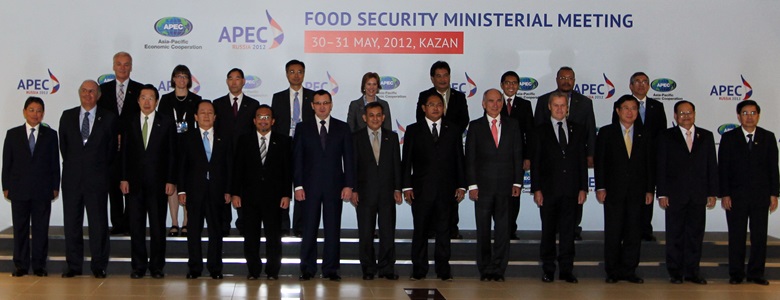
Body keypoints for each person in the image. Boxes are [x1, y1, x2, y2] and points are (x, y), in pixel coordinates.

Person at [403, 92, 466, 281]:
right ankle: (419, 269)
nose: (436, 108)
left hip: (446, 190)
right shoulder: (413, 130)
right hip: (421, 190)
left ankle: (443, 270)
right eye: (431, 104)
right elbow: (406, 161)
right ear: (424, 108)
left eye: (439, 104)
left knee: (444, 232)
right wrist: (406, 187)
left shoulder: (453, 130)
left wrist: (462, 185)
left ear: (444, 107)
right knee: (420, 231)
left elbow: (459, 160)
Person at [59, 80, 118, 278]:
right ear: (79, 93)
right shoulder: (67, 116)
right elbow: (65, 148)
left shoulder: (108, 118)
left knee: (99, 224)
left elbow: (111, 151)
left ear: (98, 95)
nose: (88, 94)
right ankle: (74, 265)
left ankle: (99, 265)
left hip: (97, 180)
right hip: (72, 180)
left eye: (92, 91)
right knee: (72, 224)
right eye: (84, 90)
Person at [293, 90, 355, 281]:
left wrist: (349, 185)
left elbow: (349, 159)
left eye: (325, 103)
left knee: (332, 229)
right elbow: (297, 159)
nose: (322, 106)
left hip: (334, 187)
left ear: (331, 104)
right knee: (309, 228)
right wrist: (298, 186)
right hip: (309, 187)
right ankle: (308, 268)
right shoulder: (302, 128)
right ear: (312, 105)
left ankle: (331, 269)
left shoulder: (342, 128)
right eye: (318, 103)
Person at [656, 100, 718, 285]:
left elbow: (711, 166)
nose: (686, 116)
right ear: (675, 116)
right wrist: (662, 193)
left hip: (699, 195)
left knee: (695, 235)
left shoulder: (706, 136)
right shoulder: (666, 136)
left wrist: (712, 192)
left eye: (689, 112)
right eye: (682, 113)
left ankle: (692, 272)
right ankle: (675, 272)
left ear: (695, 114)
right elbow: (661, 166)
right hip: (674, 194)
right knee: (674, 234)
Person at [595, 95, 654, 284]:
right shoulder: (606, 133)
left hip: (637, 192)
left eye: (634, 108)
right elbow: (600, 163)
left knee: (633, 233)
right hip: (613, 191)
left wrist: (649, 190)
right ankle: (612, 271)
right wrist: (601, 187)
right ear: (618, 111)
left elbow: (649, 165)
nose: (630, 112)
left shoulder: (645, 134)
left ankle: (629, 270)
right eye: (626, 108)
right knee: (613, 232)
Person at [119, 85, 176, 279]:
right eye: (143, 97)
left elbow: (171, 154)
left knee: (158, 226)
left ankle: (157, 267)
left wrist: (171, 180)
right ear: (138, 101)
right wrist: (124, 177)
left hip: (159, 183)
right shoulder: (130, 121)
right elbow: (124, 152)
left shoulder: (166, 122)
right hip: (134, 183)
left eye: (151, 98)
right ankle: (138, 266)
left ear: (157, 101)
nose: (146, 102)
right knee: (136, 226)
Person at [719, 100, 779, 285]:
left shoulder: (768, 137)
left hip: (761, 197)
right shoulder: (729, 138)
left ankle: (756, 274)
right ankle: (736, 274)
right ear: (738, 116)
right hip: (736, 197)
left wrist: (774, 194)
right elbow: (723, 169)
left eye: (753, 113)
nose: (749, 116)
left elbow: (773, 168)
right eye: (745, 113)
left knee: (759, 237)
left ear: (758, 116)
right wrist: (725, 194)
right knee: (736, 236)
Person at [465, 89, 523, 282]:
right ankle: (485, 268)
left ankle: (498, 268)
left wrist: (517, 182)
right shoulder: (475, 126)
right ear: (483, 104)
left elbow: (517, 154)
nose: (495, 104)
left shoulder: (513, 125)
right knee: (483, 229)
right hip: (482, 188)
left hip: (506, 186)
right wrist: (472, 185)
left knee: (503, 230)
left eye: (498, 101)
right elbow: (470, 158)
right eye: (491, 101)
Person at [531, 91, 588, 284]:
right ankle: (548, 269)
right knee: (548, 232)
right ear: (549, 107)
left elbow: (581, 161)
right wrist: (537, 189)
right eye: (556, 105)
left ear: (568, 108)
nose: (559, 109)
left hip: (572, 190)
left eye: (563, 106)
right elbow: (536, 163)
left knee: (568, 233)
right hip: (548, 191)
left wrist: (583, 188)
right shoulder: (539, 130)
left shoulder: (578, 130)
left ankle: (566, 270)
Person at [534, 67, 596, 241]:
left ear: (574, 80)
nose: (566, 81)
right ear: (557, 79)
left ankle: (574, 228)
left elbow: (591, 129)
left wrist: (590, 154)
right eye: (563, 77)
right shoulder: (543, 100)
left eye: (570, 78)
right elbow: (537, 131)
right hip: (550, 168)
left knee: (574, 204)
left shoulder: (585, 102)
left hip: (574, 164)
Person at [232, 105, 292, 280]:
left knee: (274, 236)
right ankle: (253, 270)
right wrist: (236, 193)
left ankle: (273, 271)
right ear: (254, 120)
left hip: (274, 197)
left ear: (272, 121)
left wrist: (286, 194)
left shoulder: (283, 141)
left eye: (267, 117)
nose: (263, 120)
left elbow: (287, 170)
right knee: (251, 236)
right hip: (249, 197)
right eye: (260, 117)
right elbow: (238, 169)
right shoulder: (244, 140)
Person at [2, 97, 60, 277]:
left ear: (43, 113)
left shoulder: (50, 135)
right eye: (32, 110)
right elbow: (7, 163)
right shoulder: (12, 134)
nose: (36, 114)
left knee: (41, 229)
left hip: (42, 190)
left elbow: (54, 164)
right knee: (20, 229)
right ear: (24, 111)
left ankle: (39, 265)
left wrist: (55, 186)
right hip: (19, 189)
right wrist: (6, 186)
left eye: (39, 111)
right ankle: (20, 265)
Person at [415, 61, 469, 239]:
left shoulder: (459, 97)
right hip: (429, 153)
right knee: (429, 195)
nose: (442, 79)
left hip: (450, 151)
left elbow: (463, 120)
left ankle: (452, 229)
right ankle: (431, 229)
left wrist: (447, 134)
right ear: (432, 78)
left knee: (451, 193)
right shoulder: (424, 96)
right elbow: (420, 122)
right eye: (438, 76)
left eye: (445, 75)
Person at [178, 100, 231, 280]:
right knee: (193, 231)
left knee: (216, 230)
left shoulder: (224, 137)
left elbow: (228, 167)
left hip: (217, 191)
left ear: (215, 117)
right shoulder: (187, 137)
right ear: (195, 116)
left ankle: (215, 268)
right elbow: (182, 166)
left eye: (210, 112)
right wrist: (182, 191)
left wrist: (228, 190)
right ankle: (195, 267)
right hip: (194, 191)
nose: (206, 116)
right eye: (202, 112)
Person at [611, 72, 667, 242]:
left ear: (649, 86)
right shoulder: (620, 104)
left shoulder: (656, 106)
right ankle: (625, 229)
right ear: (631, 85)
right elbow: (616, 132)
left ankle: (645, 229)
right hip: (626, 159)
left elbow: (662, 134)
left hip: (649, 158)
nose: (641, 85)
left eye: (645, 82)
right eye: (637, 82)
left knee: (646, 193)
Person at [351, 101, 402, 280]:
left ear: (384, 117)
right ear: (365, 118)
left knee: (388, 232)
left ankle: (387, 268)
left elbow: (397, 164)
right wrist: (354, 190)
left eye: (378, 115)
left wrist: (398, 188)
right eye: (371, 115)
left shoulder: (392, 137)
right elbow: (353, 166)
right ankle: (368, 269)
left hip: (388, 192)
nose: (375, 118)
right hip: (364, 193)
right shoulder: (356, 137)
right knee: (366, 233)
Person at [98, 51, 143, 236]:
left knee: (132, 187)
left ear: (131, 67)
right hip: (110, 148)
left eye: (126, 64)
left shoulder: (140, 90)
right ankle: (117, 223)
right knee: (113, 186)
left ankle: (130, 222)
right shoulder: (103, 89)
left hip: (132, 147)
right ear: (113, 66)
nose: (123, 67)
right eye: (119, 64)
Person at [213, 68, 260, 236]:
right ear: (227, 81)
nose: (234, 82)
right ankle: (224, 224)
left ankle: (243, 223)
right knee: (223, 188)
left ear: (243, 81)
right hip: (223, 155)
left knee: (244, 190)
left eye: (238, 78)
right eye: (231, 78)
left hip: (245, 156)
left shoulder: (253, 105)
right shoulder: (217, 104)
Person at [271, 59, 315, 237]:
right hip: (283, 145)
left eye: (299, 72)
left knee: (302, 185)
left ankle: (300, 225)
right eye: (292, 72)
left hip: (305, 146)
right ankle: (282, 224)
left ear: (304, 74)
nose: (296, 75)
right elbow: (275, 125)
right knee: (282, 184)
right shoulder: (278, 97)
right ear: (286, 74)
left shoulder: (312, 97)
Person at [158, 65, 201, 237]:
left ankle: (186, 222)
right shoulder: (166, 99)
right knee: (172, 184)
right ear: (173, 78)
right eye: (178, 76)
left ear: (189, 80)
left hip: (190, 147)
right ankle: (174, 222)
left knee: (188, 184)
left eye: (185, 76)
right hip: (170, 146)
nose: (182, 79)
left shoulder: (196, 100)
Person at [499, 71, 534, 240]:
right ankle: (501, 228)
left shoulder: (525, 105)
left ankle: (511, 229)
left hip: (517, 157)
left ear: (518, 86)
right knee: (499, 194)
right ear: (502, 85)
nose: (511, 86)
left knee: (515, 194)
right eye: (508, 83)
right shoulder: (495, 102)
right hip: (498, 158)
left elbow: (530, 133)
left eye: (514, 83)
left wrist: (527, 157)